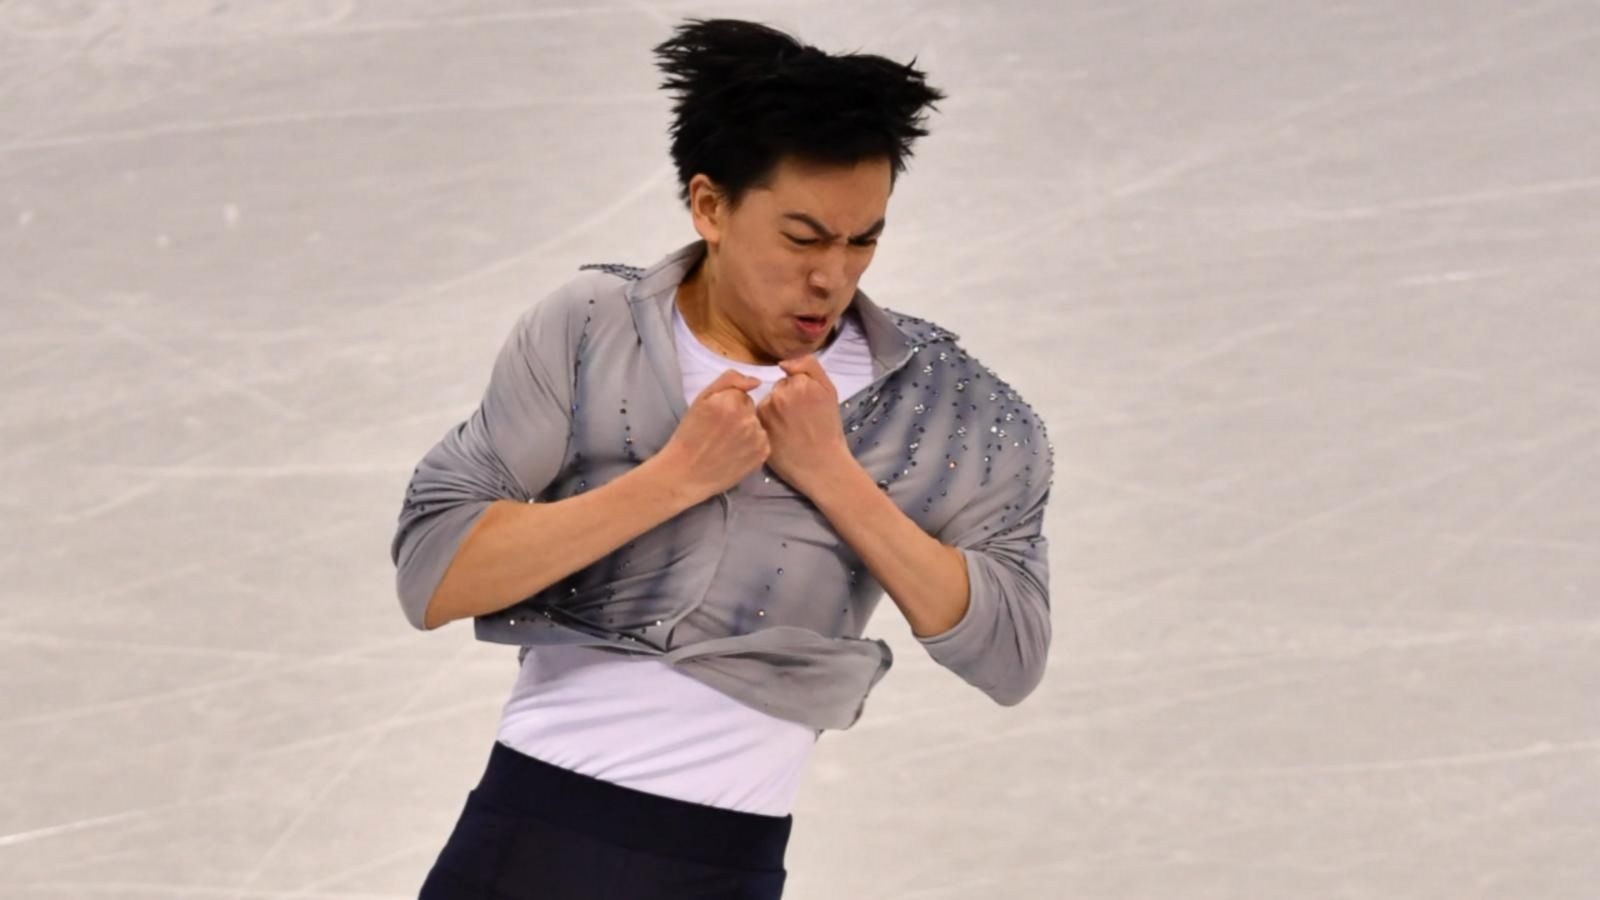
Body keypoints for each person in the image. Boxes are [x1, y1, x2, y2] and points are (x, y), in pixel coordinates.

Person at [393, 17, 1056, 900]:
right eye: (804, 237)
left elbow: (1010, 656)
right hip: (526, 839)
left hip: (724, 866)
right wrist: (674, 479)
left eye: (863, 239)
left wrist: (834, 475)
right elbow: (433, 578)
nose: (834, 276)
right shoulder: (592, 327)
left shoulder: (946, 407)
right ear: (710, 206)